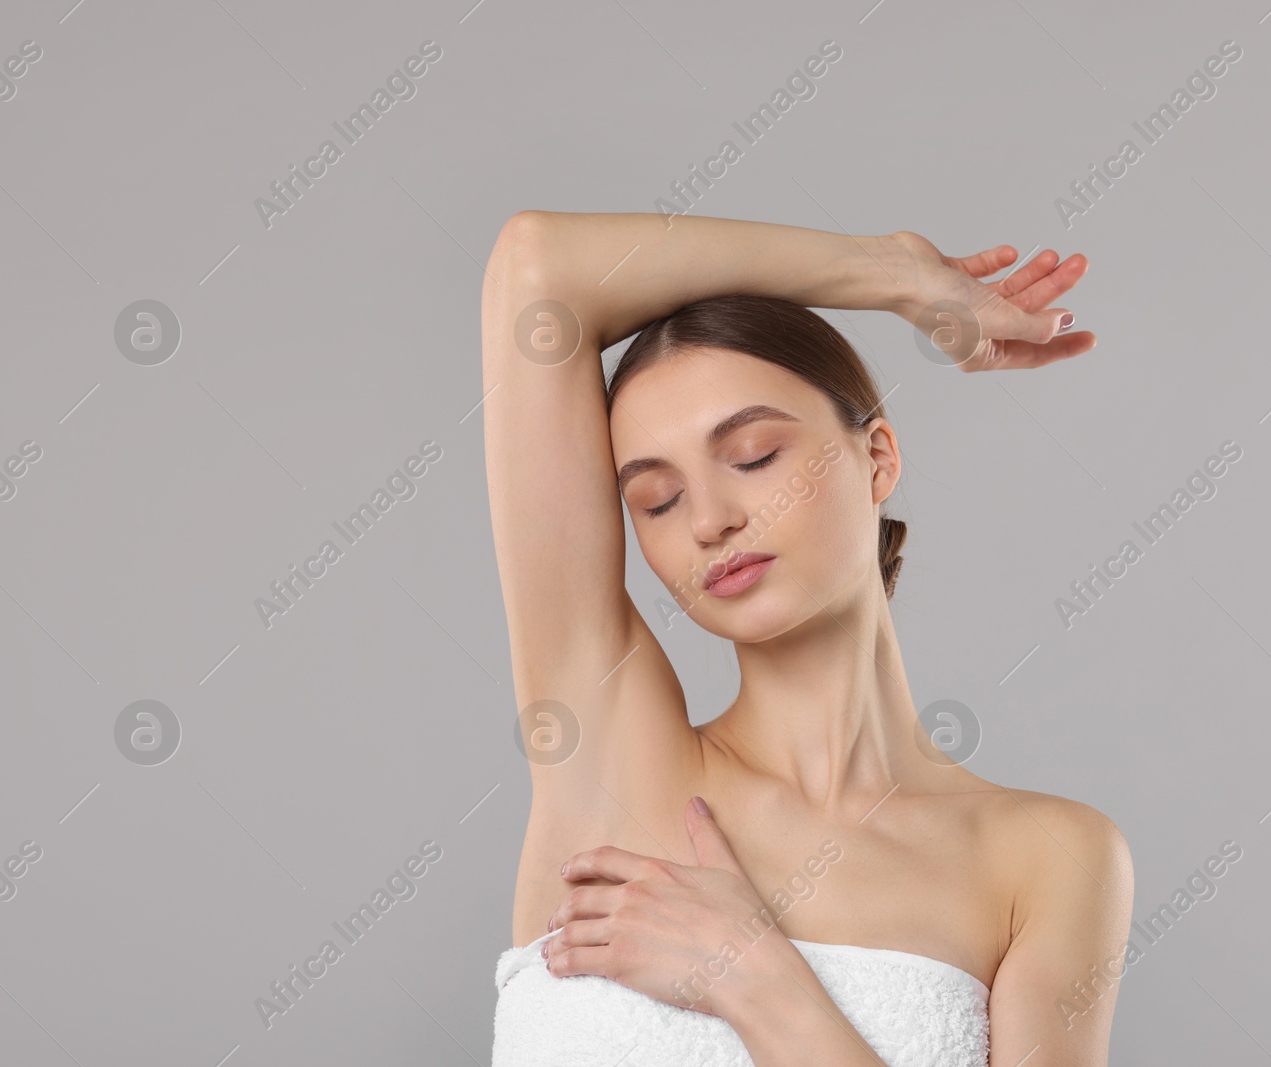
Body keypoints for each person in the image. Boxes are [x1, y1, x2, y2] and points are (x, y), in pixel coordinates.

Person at [483, 210, 1133, 1066]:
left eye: (752, 455)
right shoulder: (609, 765)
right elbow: (539, 268)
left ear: (877, 458)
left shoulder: (1045, 860)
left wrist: (760, 983)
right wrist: (899, 277)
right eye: (657, 500)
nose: (710, 519)